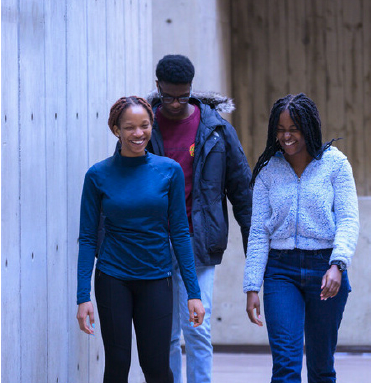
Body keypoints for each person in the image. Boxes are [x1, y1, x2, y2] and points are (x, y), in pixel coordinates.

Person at [76, 96, 205, 383]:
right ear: (116, 130)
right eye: (130, 127)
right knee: (118, 364)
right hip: (112, 278)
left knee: (157, 367)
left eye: (144, 126)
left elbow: (180, 234)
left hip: (157, 278)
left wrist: (194, 293)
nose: (138, 133)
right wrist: (82, 296)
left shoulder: (168, 171)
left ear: (151, 126)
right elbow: (86, 238)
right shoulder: (97, 175)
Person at [147, 54, 253, 383]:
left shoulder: (217, 130)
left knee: (196, 329)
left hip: (199, 244)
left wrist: (255, 258)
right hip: (155, 245)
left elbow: (243, 194)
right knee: (162, 333)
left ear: (192, 88)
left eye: (183, 95)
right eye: (168, 96)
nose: (176, 103)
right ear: (157, 88)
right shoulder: (143, 127)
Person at [244, 93, 359, 382]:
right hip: (280, 271)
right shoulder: (268, 170)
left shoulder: (335, 164)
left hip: (326, 268)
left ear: (309, 127)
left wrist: (338, 263)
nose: (286, 137)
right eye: (280, 130)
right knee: (285, 367)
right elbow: (258, 232)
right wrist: (251, 286)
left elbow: (348, 219)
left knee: (321, 368)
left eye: (293, 129)